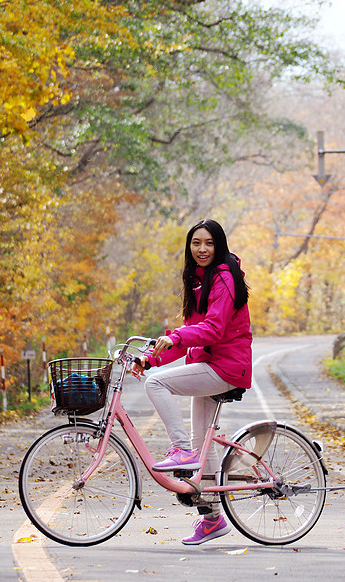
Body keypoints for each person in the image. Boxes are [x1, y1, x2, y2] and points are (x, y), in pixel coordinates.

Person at [132, 218, 253, 545]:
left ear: (219, 246)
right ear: (190, 247)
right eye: (196, 243)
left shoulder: (224, 279)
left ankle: (180, 450)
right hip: (210, 362)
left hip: (226, 366)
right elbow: (187, 339)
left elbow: (212, 331)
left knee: (155, 385)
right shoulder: (199, 281)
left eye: (209, 243)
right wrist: (151, 357)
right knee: (205, 445)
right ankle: (212, 519)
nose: (202, 249)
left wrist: (175, 339)